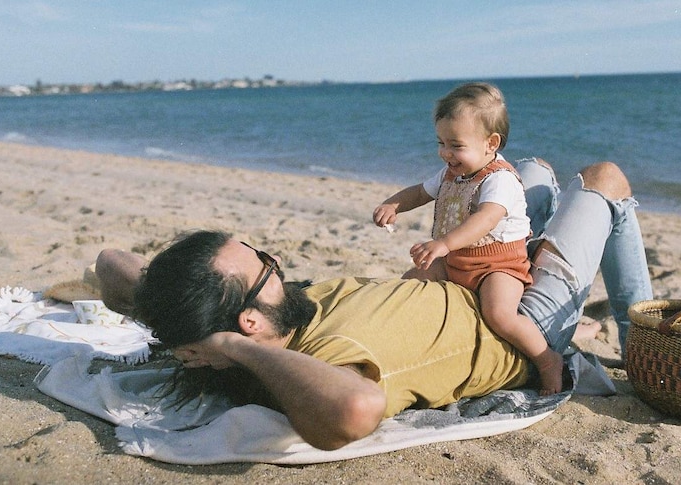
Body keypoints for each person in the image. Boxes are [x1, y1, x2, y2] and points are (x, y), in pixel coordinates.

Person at [96, 159, 652, 451]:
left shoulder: (285, 309)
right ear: (246, 323)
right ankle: (644, 343)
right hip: (519, 324)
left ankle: (590, 310)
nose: (278, 264)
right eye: (264, 264)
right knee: (604, 179)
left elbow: (110, 263)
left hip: (475, 271)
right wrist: (230, 349)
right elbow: (352, 412)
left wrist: (168, 315)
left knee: (522, 171)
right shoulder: (320, 359)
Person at [373, 82, 562, 394]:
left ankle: (546, 360)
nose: (446, 153)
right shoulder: (451, 173)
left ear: (491, 143)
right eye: (441, 142)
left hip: (498, 266)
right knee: (412, 280)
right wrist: (394, 204)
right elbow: (420, 192)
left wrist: (444, 243)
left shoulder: (500, 179)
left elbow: (485, 219)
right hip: (457, 261)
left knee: (499, 315)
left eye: (456, 145)